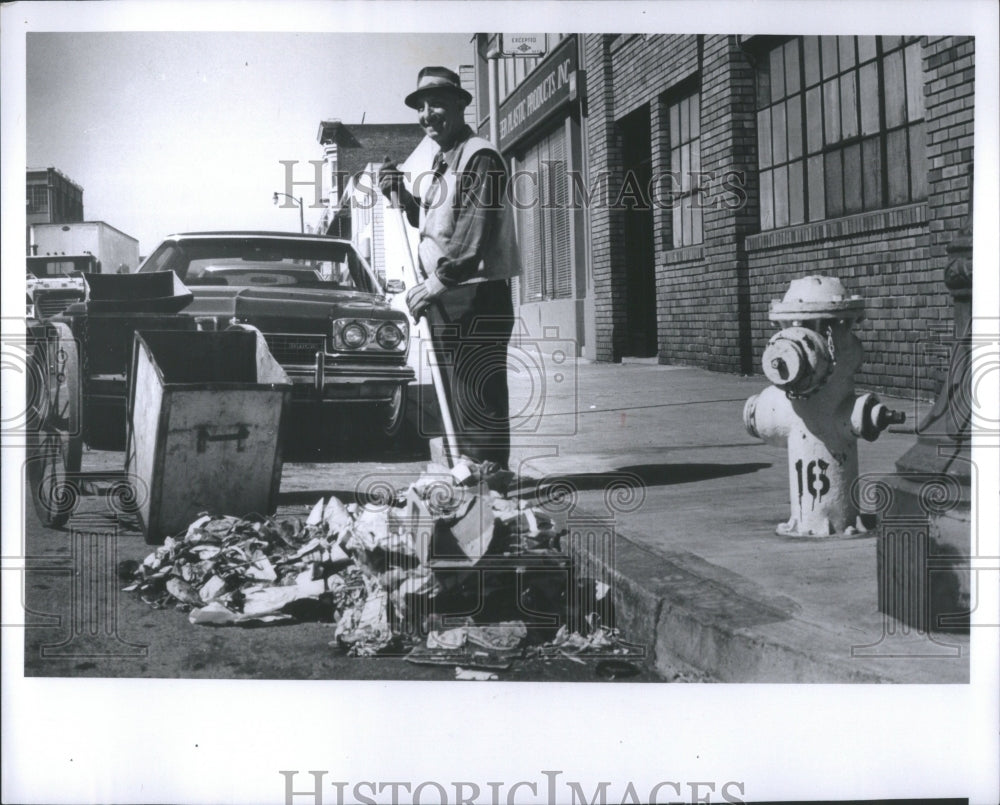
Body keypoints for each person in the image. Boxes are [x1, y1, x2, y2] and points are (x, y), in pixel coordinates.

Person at [380, 66, 521, 469]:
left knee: (477, 395)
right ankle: (471, 480)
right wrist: (401, 195)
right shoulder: (445, 161)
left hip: (474, 295)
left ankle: (488, 481)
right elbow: (435, 228)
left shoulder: (480, 157)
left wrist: (434, 285)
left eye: (436, 103)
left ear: (460, 105)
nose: (427, 114)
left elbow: (471, 237)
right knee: (457, 395)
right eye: (421, 107)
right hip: (450, 297)